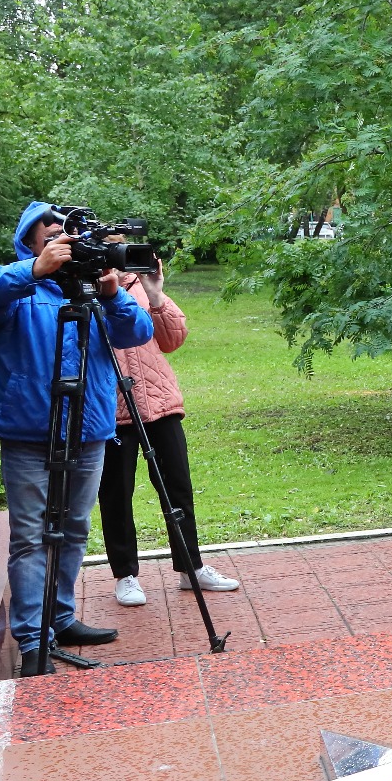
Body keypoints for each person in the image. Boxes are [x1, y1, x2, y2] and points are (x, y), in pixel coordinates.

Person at [0, 202, 155, 675]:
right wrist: (34, 269)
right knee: (30, 538)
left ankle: (61, 617)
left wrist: (112, 294)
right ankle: (33, 641)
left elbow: (138, 333)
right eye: (49, 236)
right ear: (29, 242)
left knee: (73, 530)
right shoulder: (16, 290)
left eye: (67, 237)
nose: (61, 243)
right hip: (29, 433)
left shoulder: (94, 288)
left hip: (88, 431)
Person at [99, 254, 238, 608]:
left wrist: (156, 293)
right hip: (113, 410)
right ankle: (125, 575)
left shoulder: (140, 287)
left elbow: (173, 339)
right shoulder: (86, 290)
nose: (120, 258)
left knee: (178, 488)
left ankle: (191, 567)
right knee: (116, 495)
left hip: (160, 405)